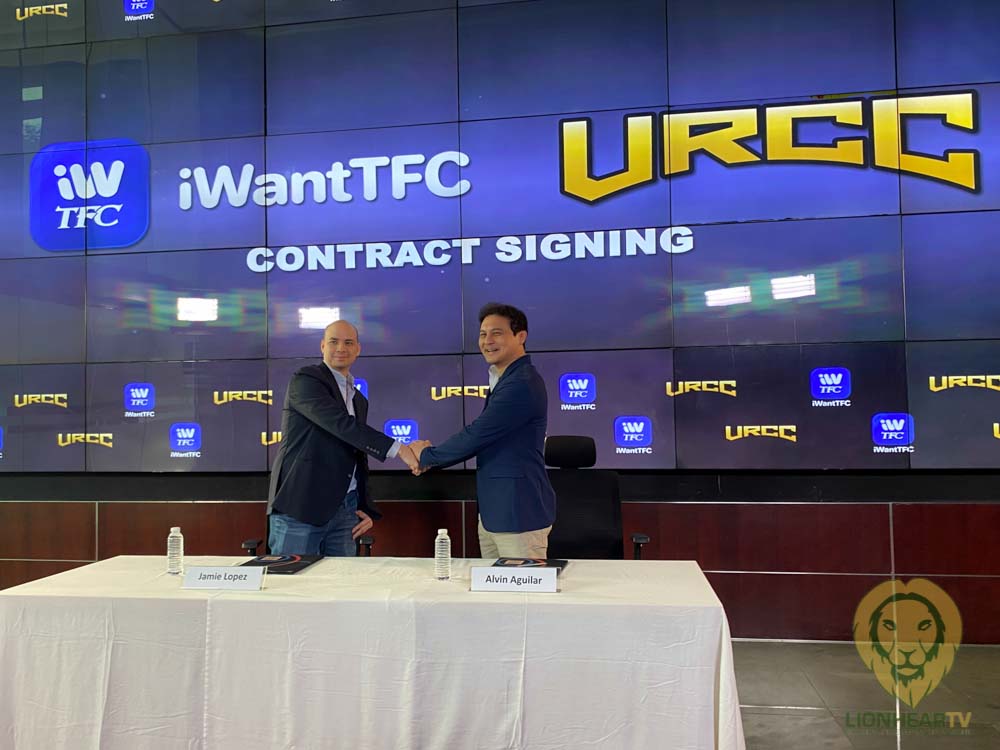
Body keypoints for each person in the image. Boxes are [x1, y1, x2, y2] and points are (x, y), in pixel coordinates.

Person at [410, 303, 556, 558]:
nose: (487, 341)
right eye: (482, 334)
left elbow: (478, 434)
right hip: (496, 513)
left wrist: (426, 456)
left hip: (519, 514)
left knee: (520, 585)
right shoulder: (505, 378)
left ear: (521, 336)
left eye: (497, 333)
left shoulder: (521, 383)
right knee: (493, 585)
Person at [266, 320, 420, 555]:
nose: (341, 348)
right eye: (333, 342)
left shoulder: (359, 399)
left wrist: (363, 505)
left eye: (348, 343)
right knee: (293, 578)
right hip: (300, 509)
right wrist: (400, 448)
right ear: (322, 346)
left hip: (346, 514)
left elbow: (357, 455)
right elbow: (341, 425)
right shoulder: (306, 380)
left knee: (343, 580)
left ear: (358, 349)